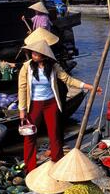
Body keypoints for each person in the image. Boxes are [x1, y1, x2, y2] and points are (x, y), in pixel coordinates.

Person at [18, 40, 94, 172]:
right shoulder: (26, 67)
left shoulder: (53, 66)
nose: (33, 56)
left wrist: (88, 86)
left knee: (55, 134)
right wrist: (22, 109)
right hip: (34, 105)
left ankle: (57, 162)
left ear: (44, 55)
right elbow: (22, 88)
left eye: (36, 54)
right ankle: (30, 167)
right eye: (33, 54)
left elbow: (68, 80)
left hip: (51, 104)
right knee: (29, 135)